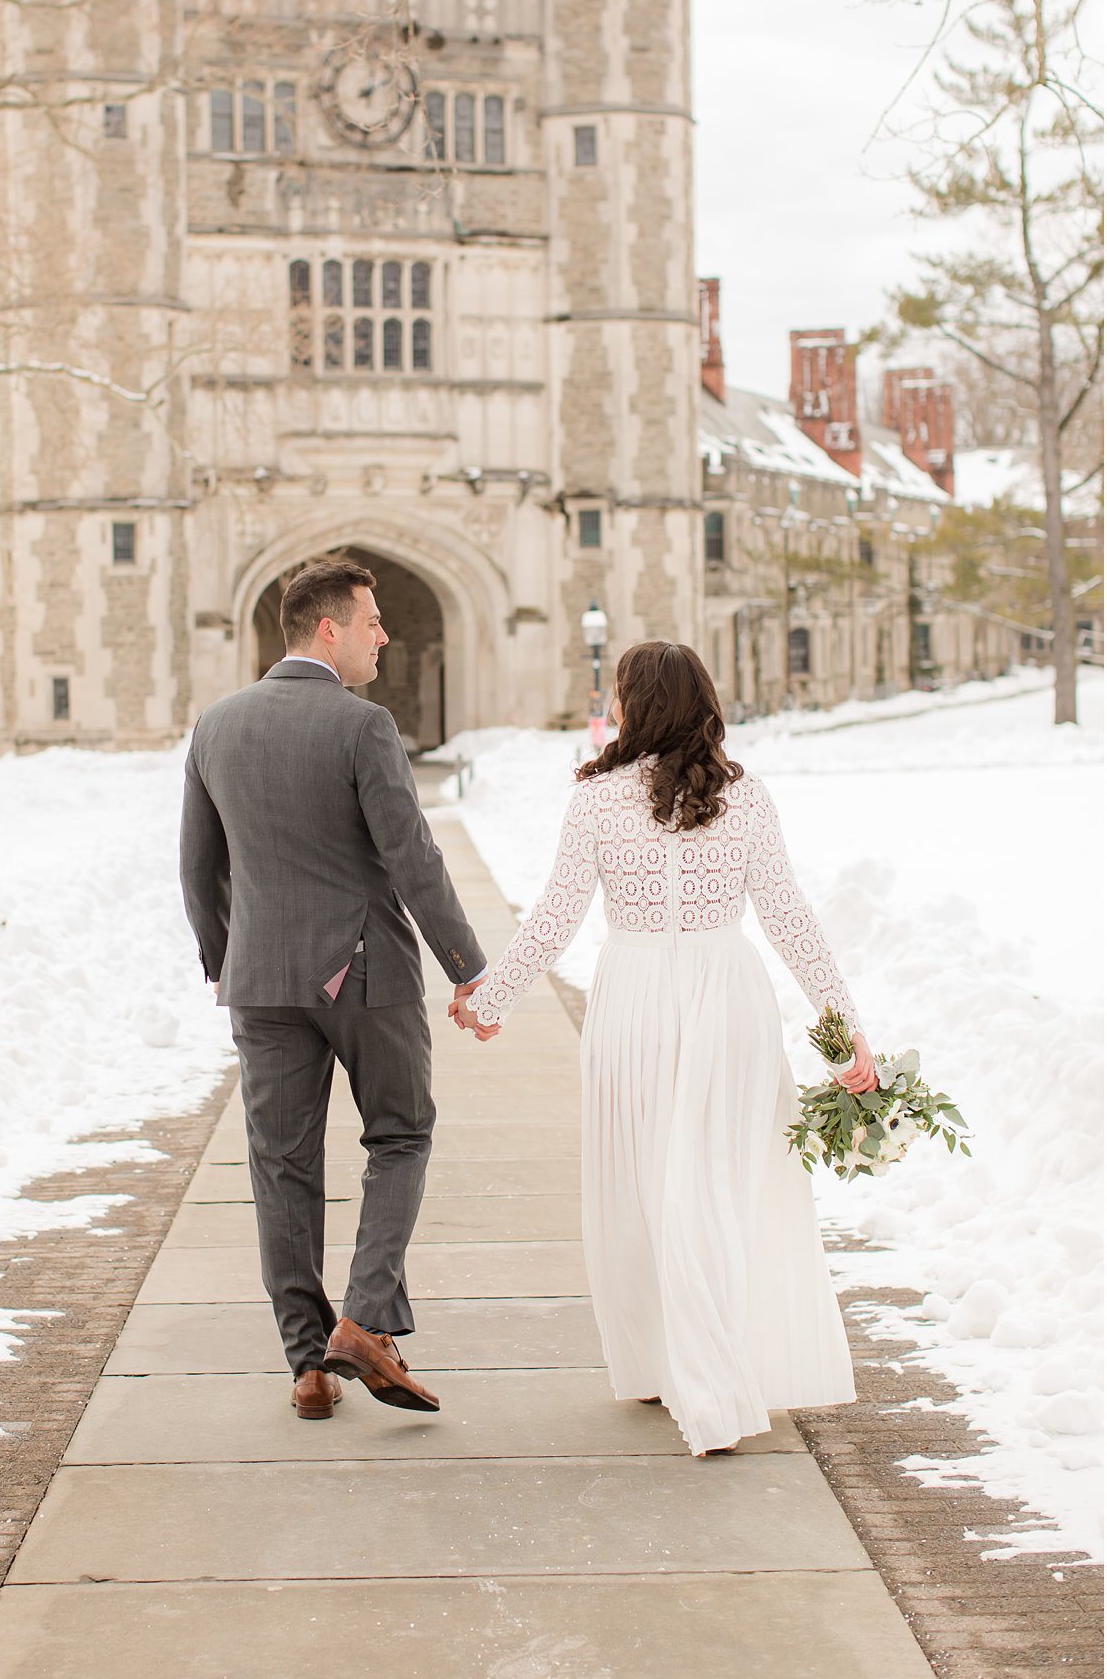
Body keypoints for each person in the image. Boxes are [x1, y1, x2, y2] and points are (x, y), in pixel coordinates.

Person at [453, 639, 876, 1458]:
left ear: (632, 704)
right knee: (716, 1184)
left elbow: (555, 918)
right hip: (729, 997)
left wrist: (491, 999)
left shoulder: (596, 800)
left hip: (638, 1001)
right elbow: (790, 919)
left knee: (650, 1188)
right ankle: (693, 1362)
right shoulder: (744, 795)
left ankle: (693, 1376)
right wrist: (843, 1028)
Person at [179, 558, 491, 1421]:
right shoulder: (364, 727)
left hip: (261, 981)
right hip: (366, 974)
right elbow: (412, 859)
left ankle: (307, 1365)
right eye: (372, 621)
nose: (383, 635)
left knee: (282, 1167)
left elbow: (197, 866)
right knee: (401, 1134)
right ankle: (362, 1319)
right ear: (329, 629)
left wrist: (226, 959)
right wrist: (468, 965)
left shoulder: (216, 725)